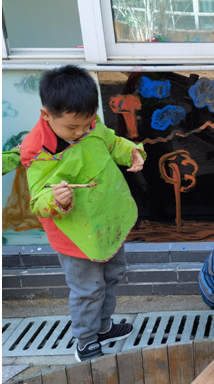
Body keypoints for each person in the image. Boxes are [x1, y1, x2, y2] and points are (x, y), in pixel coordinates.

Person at [20, 65, 146, 362]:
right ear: (46, 115)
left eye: (87, 124)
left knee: (113, 275)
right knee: (88, 288)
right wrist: (55, 200)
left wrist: (131, 152)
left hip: (106, 218)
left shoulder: (90, 124)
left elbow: (111, 141)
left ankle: (103, 327)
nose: (80, 133)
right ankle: (86, 340)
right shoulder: (37, 149)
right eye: (72, 128)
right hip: (75, 233)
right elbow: (37, 199)